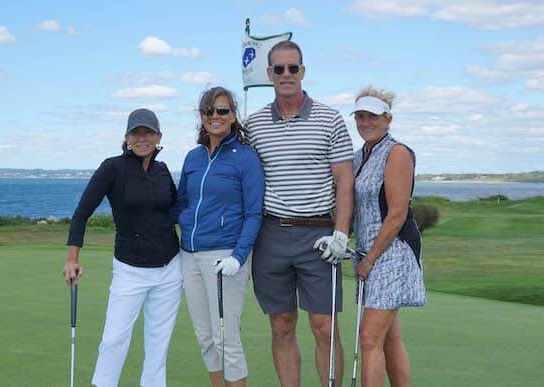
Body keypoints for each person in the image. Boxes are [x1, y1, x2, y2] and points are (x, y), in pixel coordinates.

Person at [245, 40, 355, 387]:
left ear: (303, 71)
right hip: (271, 234)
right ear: (269, 74)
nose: (286, 74)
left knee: (324, 326)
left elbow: (344, 183)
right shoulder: (254, 125)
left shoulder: (330, 119)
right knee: (281, 323)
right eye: (279, 69)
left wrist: (341, 233)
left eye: (293, 68)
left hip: (319, 235)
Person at [61, 108, 182, 387]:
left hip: (170, 269)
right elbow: (82, 213)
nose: (142, 138)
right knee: (114, 339)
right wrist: (71, 259)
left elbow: (175, 212)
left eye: (148, 132)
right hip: (130, 270)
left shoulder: (163, 171)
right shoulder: (112, 168)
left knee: (157, 345)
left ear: (158, 136)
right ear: (126, 137)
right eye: (136, 133)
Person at [173, 86, 265, 387]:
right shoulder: (194, 157)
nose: (215, 116)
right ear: (201, 117)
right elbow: (182, 203)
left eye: (222, 110)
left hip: (224, 257)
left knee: (226, 337)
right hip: (190, 256)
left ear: (233, 115)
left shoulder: (245, 158)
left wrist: (238, 258)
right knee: (205, 337)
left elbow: (254, 213)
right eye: (209, 111)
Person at [350, 86, 426, 387]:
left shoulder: (396, 153)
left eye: (373, 116)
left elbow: (396, 214)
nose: (365, 122)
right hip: (369, 253)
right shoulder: (359, 156)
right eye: (360, 116)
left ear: (388, 119)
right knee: (389, 337)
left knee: (369, 337)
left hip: (392, 252)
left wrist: (369, 259)